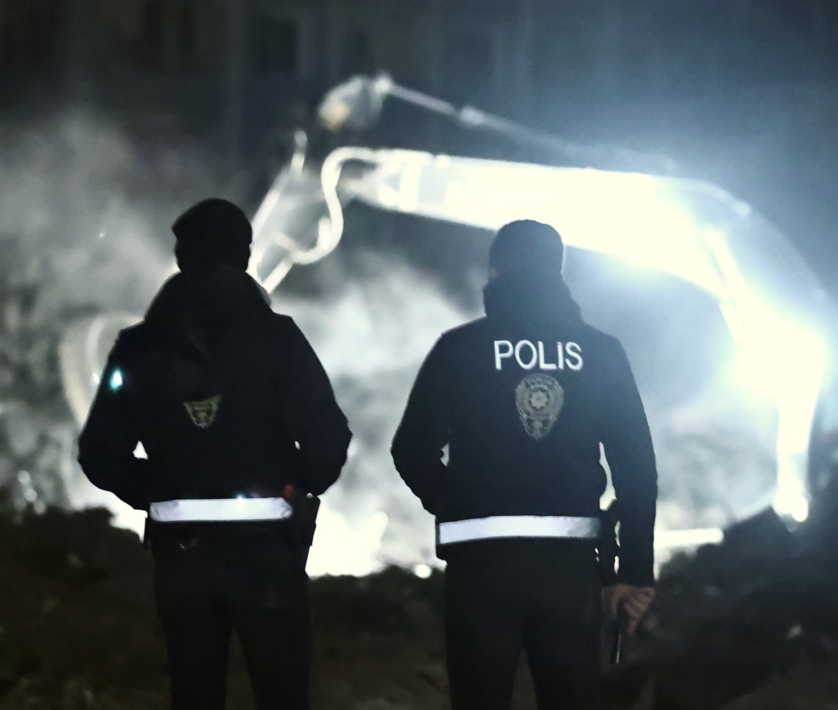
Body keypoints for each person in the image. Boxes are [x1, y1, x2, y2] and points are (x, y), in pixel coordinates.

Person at [78, 198, 351, 710]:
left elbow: (99, 453)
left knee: (194, 693)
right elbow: (328, 440)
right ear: (246, 257)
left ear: (181, 257)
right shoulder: (278, 339)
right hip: (268, 553)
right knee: (282, 694)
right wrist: (293, 485)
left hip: (183, 559)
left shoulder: (137, 349)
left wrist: (160, 488)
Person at [391, 220, 659, 710]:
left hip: (481, 572)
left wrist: (457, 503)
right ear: (559, 272)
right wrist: (634, 571)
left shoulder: (460, 349)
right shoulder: (601, 353)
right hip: (570, 573)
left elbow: (410, 449)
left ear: (494, 271)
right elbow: (637, 469)